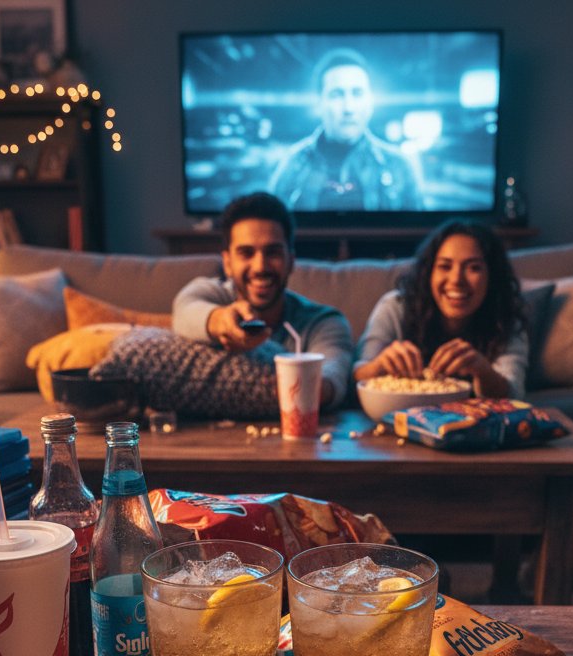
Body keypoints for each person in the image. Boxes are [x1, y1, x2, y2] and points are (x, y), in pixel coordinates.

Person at [172, 191, 353, 410]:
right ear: (227, 263)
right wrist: (221, 322)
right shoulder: (211, 294)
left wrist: (313, 387)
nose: (260, 267)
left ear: (291, 261)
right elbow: (184, 308)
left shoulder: (324, 322)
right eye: (246, 253)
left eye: (273, 252)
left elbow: (334, 374)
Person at [354, 220, 528, 399]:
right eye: (445, 266)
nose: (456, 280)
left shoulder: (505, 318)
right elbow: (356, 375)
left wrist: (483, 371)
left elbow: (514, 394)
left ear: (492, 276)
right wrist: (379, 365)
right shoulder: (395, 307)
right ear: (428, 273)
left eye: (473, 268)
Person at [268, 48, 423, 212]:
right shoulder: (292, 165)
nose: (348, 107)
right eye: (337, 95)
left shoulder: (399, 166)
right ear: (319, 103)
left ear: (369, 102)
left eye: (357, 93)